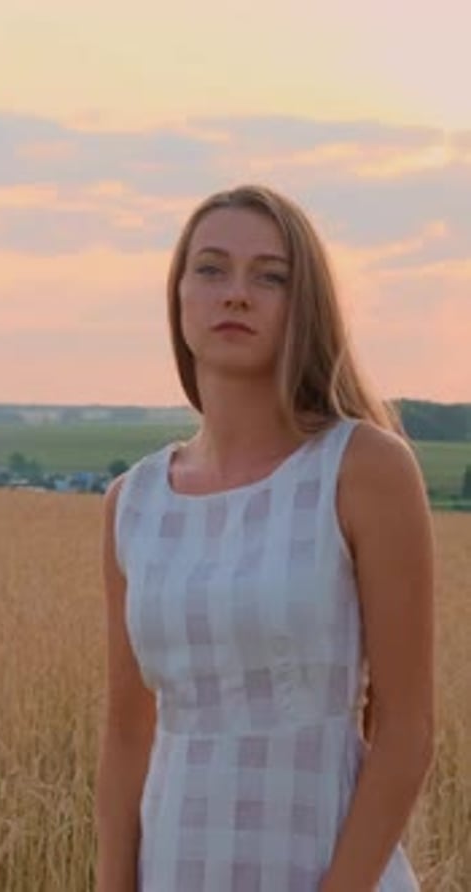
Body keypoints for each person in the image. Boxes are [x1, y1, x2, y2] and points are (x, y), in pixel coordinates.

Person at [95, 184, 435, 891]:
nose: (237, 294)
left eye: (270, 276)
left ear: (301, 304)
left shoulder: (362, 468)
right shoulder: (134, 504)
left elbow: (405, 730)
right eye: (212, 269)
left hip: (325, 869)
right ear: (178, 295)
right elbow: (129, 733)